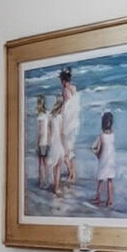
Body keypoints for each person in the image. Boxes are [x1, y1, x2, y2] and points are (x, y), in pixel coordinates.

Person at [53, 67, 82, 200]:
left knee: (65, 151)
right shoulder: (74, 89)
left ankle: (70, 172)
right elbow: (75, 107)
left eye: (61, 80)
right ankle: (73, 174)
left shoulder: (65, 90)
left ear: (64, 80)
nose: (61, 83)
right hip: (74, 124)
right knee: (70, 149)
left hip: (67, 125)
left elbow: (65, 109)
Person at [96, 108, 118, 213]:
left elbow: (99, 149)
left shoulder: (101, 136)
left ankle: (98, 197)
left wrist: (97, 154)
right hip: (111, 160)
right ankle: (109, 199)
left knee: (100, 179)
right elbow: (112, 148)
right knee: (110, 179)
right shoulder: (112, 136)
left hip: (104, 160)